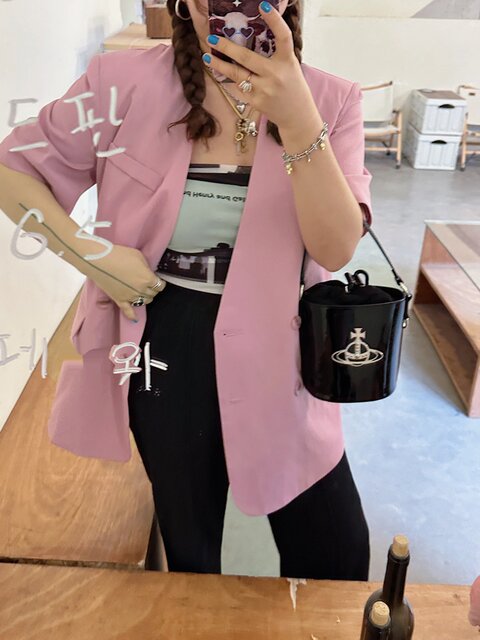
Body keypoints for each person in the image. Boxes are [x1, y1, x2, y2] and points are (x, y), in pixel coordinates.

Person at [0, 0, 371, 579]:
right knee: (190, 543)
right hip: (162, 342)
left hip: (287, 351)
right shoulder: (120, 83)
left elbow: (335, 248)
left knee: (336, 552)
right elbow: (13, 170)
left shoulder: (332, 99)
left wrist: (300, 121)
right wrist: (92, 256)